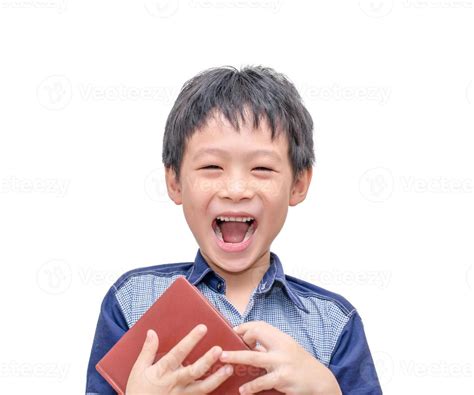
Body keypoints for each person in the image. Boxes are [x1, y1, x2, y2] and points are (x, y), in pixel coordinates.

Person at [85, 65, 382, 394]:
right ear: (174, 181)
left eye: (262, 168)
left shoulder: (333, 323)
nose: (236, 188)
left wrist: (327, 390)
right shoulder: (130, 303)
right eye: (212, 166)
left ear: (298, 183)